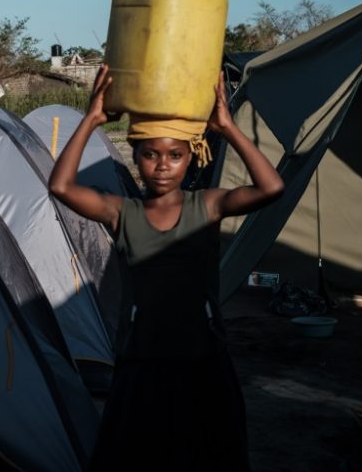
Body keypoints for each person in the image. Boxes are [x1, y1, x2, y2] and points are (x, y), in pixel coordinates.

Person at [49, 64, 284, 471]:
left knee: (206, 455)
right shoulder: (121, 212)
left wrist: (227, 126)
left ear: (191, 157)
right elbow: (61, 186)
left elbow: (271, 187)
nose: (162, 165)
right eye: (151, 154)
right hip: (143, 363)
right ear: (136, 157)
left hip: (202, 360)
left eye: (175, 156)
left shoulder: (207, 205)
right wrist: (91, 118)